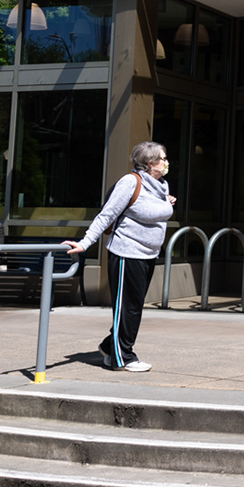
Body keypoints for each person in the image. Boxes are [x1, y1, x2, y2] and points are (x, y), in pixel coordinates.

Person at [65, 141, 174, 372]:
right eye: (162, 159)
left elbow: (155, 209)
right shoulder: (130, 182)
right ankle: (121, 357)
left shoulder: (160, 186)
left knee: (133, 306)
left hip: (149, 254)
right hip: (127, 253)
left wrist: (166, 201)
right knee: (128, 308)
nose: (166, 163)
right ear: (148, 162)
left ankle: (109, 346)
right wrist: (85, 243)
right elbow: (106, 215)